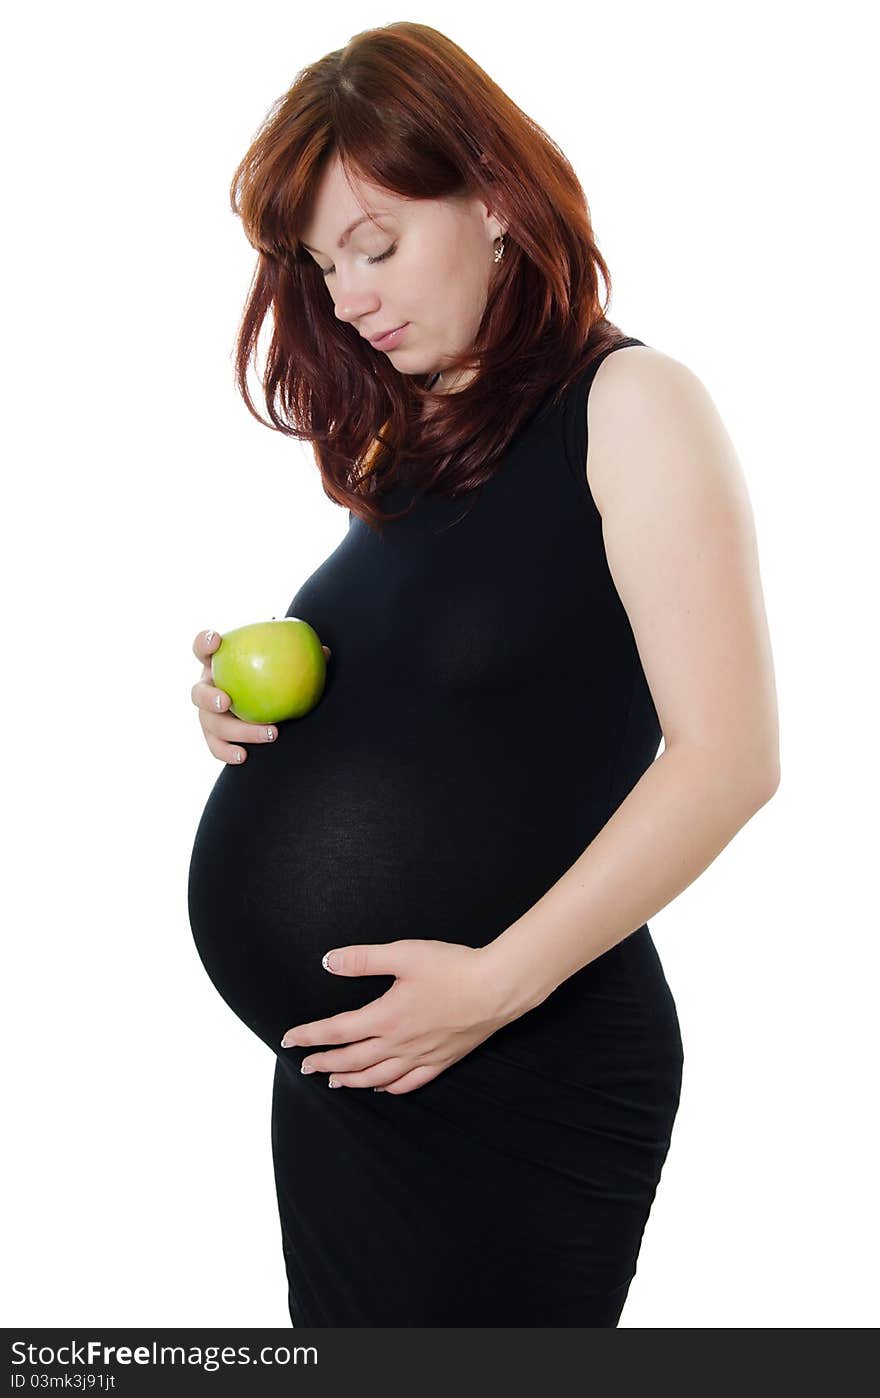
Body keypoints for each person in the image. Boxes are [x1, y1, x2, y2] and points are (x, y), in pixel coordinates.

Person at [187, 22, 780, 1327]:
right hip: (366, 1075)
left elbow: (731, 756)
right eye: (320, 263)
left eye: (377, 244)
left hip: (520, 1064)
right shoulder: (427, 437)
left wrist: (491, 988)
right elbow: (465, 713)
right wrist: (250, 704)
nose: (346, 298)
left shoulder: (637, 404)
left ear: (496, 200)